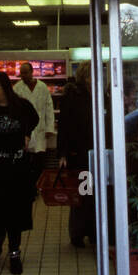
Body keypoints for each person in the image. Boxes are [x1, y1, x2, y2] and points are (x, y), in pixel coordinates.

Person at [0, 70, 39, 275]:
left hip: (17, 167)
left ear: (5, 87)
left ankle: (14, 252)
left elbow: (34, 118)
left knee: (15, 211)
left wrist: (26, 134)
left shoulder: (21, 106)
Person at [57, 62, 95, 247]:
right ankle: (79, 232)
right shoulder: (74, 96)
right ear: (86, 76)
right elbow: (64, 126)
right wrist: (62, 153)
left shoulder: (98, 94)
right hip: (80, 153)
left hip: (95, 153)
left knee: (93, 194)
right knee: (83, 193)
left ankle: (92, 230)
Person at [14, 62, 55, 161]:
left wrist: (49, 128)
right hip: (25, 129)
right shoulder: (16, 88)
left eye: (25, 73)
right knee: (26, 157)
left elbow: (49, 107)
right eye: (21, 73)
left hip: (40, 128)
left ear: (32, 72)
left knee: (39, 157)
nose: (23, 76)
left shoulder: (42, 87)